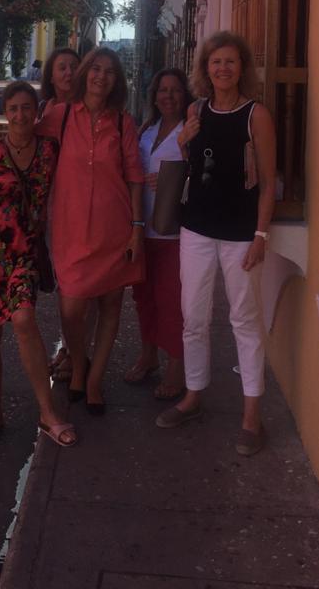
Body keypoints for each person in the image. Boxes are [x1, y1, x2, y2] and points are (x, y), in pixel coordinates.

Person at [156, 32, 276, 458]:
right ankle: (193, 395)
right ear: (205, 69)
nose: (222, 68)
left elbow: (267, 183)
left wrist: (261, 235)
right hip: (198, 229)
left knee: (244, 319)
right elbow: (190, 167)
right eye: (215, 62)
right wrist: (186, 139)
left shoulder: (255, 115)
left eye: (230, 61)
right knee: (194, 317)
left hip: (241, 233)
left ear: (242, 67)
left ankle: (251, 415)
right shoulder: (195, 110)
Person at [0, 81, 76, 448]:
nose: (21, 115)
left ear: (36, 111)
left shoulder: (50, 149)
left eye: (27, 107)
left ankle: (47, 412)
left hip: (24, 252)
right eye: (14, 108)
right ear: (5, 112)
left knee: (23, 319)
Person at [37, 47, 145, 415]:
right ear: (86, 73)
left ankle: (94, 378)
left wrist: (136, 229)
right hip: (69, 229)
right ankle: (79, 364)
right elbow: (25, 139)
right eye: (96, 69)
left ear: (117, 80)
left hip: (114, 227)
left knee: (111, 305)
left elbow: (134, 176)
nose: (101, 76)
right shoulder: (61, 116)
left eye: (110, 71)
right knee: (71, 307)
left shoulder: (122, 123)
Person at [125, 68, 192, 400]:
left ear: (185, 95)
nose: (168, 95)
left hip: (174, 234)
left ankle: (176, 369)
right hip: (142, 229)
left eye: (175, 90)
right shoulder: (147, 130)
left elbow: (198, 175)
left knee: (171, 302)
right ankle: (148, 354)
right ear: (154, 96)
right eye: (163, 90)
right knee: (143, 298)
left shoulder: (190, 131)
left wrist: (168, 181)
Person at [37, 47, 82, 382]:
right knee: (66, 283)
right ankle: (70, 348)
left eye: (73, 67)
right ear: (51, 75)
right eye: (61, 68)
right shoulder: (45, 110)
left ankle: (74, 351)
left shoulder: (86, 109)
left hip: (81, 205)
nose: (68, 73)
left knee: (76, 285)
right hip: (54, 207)